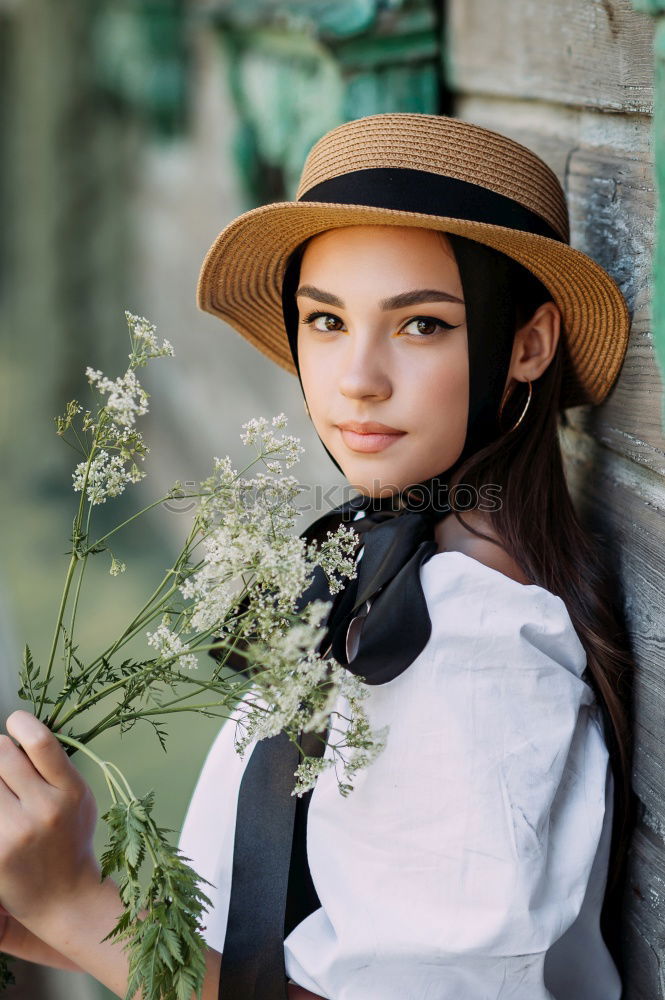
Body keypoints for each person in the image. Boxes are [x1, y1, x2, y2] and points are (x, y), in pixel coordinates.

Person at [0, 113, 634, 1000]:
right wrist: (44, 914)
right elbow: (290, 961)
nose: (358, 378)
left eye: (420, 326)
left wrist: (75, 905)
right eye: (326, 320)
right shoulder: (391, 572)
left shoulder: (475, 654)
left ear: (525, 345)